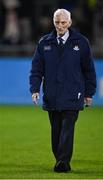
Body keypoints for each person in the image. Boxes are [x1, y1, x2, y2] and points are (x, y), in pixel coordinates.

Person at [29, 9, 96, 173]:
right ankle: (60, 159)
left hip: (73, 94)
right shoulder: (44, 43)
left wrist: (89, 93)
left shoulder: (81, 43)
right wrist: (35, 89)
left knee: (68, 128)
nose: (60, 26)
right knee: (56, 131)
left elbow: (89, 70)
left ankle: (63, 163)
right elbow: (36, 70)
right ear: (53, 22)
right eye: (57, 22)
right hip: (52, 95)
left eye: (63, 22)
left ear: (70, 23)